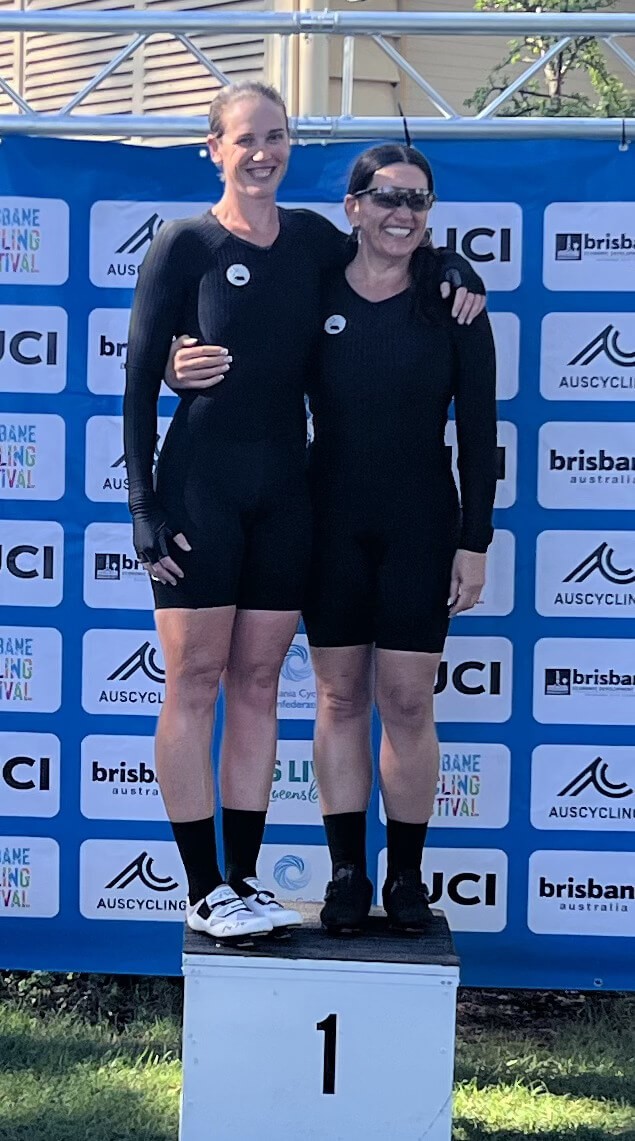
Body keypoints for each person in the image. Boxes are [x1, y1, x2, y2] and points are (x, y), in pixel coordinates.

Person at [124, 80, 486, 944]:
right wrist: (142, 502)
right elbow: (139, 377)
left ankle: (244, 880)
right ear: (214, 147)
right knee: (196, 680)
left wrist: (452, 263)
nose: (262, 152)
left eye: (276, 137)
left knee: (254, 684)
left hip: (288, 494)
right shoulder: (183, 243)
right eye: (245, 138)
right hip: (200, 490)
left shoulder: (319, 242)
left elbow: (392, 257)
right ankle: (203, 884)